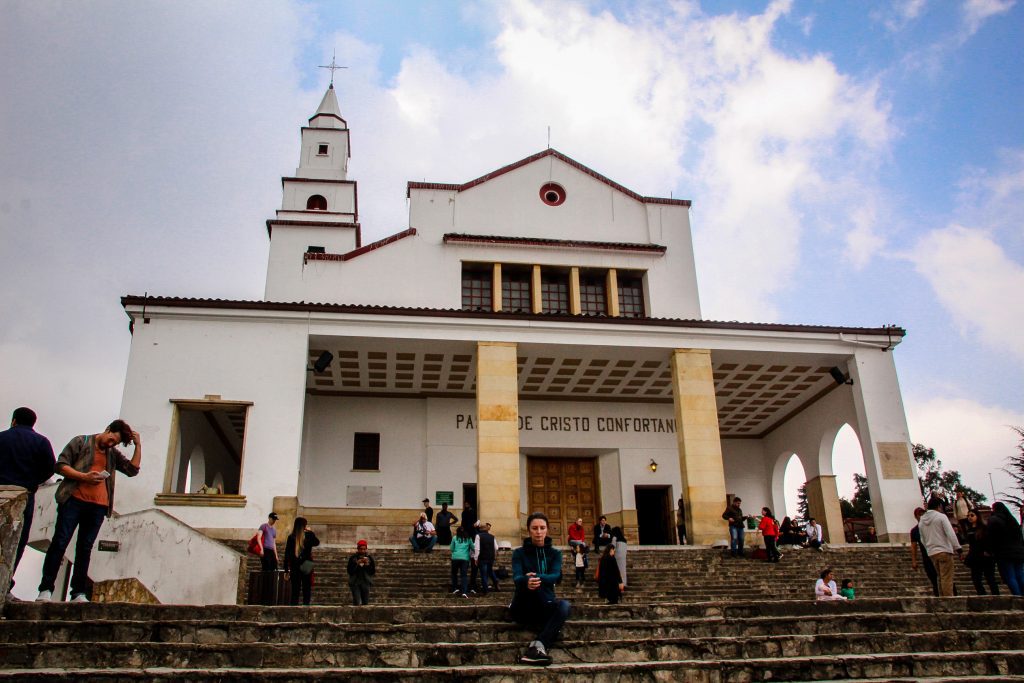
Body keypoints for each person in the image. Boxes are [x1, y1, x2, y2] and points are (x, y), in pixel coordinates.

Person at [36, 419, 141, 603]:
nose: (111, 444)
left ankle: (78, 592)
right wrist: (84, 476)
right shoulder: (81, 442)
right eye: (111, 440)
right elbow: (60, 465)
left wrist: (138, 445)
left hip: (98, 506)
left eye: (115, 443)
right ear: (107, 429)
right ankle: (45, 589)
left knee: (85, 548)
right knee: (60, 542)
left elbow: (132, 470)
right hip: (73, 500)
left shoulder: (112, 454)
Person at [0, 407, 55, 597]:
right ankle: (6, 583)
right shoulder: (41, 442)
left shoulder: (2, 437)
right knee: (18, 540)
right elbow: (50, 469)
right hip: (24, 494)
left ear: (14, 421)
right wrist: (32, 481)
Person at [511, 512, 571, 667]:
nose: (538, 532)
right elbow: (517, 578)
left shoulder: (555, 554)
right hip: (523, 606)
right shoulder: (519, 553)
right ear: (529, 530)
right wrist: (526, 580)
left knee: (565, 605)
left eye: (542, 528)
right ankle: (542, 643)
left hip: (544, 604)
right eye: (535, 528)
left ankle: (538, 646)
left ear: (547, 530)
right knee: (534, 584)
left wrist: (536, 576)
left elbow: (555, 576)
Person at [918, 495, 962, 597]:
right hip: (944, 550)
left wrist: (929, 549)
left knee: (940, 577)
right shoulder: (941, 517)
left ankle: (941, 598)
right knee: (946, 577)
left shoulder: (922, 520)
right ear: (939, 506)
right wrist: (958, 548)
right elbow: (950, 533)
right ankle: (948, 600)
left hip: (932, 552)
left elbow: (922, 539)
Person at [985, 502, 1024, 596]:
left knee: (1010, 575)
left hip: (1004, 552)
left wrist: (990, 550)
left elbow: (991, 537)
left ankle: (1018, 596)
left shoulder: (993, 520)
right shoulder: (1012, 519)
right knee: (1020, 573)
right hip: (1018, 551)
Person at [283, 517, 319, 605]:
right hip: (307, 563)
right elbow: (317, 542)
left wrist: (286, 570)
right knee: (307, 588)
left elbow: (287, 554)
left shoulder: (291, 537)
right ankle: (306, 606)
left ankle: (294, 607)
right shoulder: (309, 535)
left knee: (295, 589)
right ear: (304, 525)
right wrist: (311, 532)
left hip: (295, 564)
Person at [963, 509, 999, 595]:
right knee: (976, 579)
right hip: (974, 556)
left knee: (990, 578)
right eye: (968, 516)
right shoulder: (969, 530)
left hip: (985, 557)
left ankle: (996, 595)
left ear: (977, 516)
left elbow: (989, 541)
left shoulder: (984, 528)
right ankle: (982, 595)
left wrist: (988, 551)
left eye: (972, 515)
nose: (970, 517)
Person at [910, 507, 939, 596]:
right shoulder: (915, 530)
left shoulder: (932, 525)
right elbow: (913, 546)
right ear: (916, 516)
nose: (922, 516)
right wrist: (914, 560)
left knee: (944, 577)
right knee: (933, 578)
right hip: (926, 557)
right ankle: (938, 595)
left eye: (923, 514)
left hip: (937, 553)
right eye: (919, 514)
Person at [346, 539, 376, 606]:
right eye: (361, 549)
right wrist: (357, 563)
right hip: (355, 582)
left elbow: (372, 572)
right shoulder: (353, 558)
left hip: (365, 582)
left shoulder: (369, 558)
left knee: (365, 602)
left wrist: (367, 565)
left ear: (366, 549)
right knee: (357, 602)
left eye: (364, 549)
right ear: (358, 549)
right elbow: (350, 571)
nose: (362, 551)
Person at [474, 520, 499, 593]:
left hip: (482, 558)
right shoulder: (492, 536)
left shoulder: (478, 536)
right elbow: (496, 547)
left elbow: (477, 548)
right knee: (490, 571)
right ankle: (495, 581)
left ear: (480, 529)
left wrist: (476, 558)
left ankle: (485, 590)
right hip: (490, 558)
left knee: (484, 574)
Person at [449, 525, 473, 598]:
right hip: (465, 559)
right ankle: (464, 592)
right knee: (464, 575)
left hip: (455, 558)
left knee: (454, 574)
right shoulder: (468, 539)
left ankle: (455, 588)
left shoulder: (454, 538)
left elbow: (451, 548)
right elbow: (473, 547)